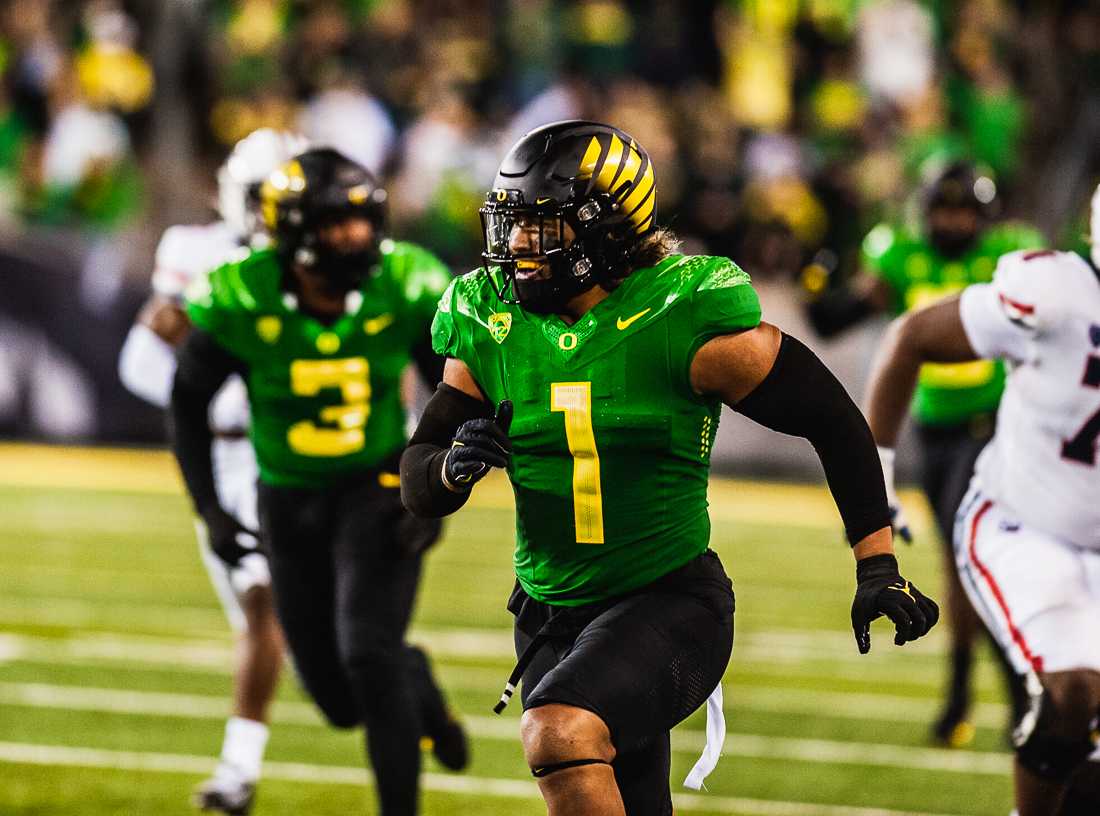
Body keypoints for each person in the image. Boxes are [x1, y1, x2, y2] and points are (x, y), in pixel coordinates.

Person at [400, 120, 939, 815]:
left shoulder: (679, 316)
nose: (520, 249)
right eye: (513, 227)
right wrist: (451, 468)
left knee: (558, 732)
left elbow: (832, 419)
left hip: (668, 603)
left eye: (543, 228)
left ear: (609, 228)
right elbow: (418, 474)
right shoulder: (489, 320)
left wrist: (876, 563)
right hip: (547, 609)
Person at [169, 147, 467, 816]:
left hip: (380, 483)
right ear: (297, 232)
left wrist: (434, 489)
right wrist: (209, 507)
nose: (358, 238)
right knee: (335, 697)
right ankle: (416, 681)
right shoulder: (238, 292)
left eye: (365, 221)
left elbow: (456, 395)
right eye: (339, 224)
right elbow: (186, 401)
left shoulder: (407, 283)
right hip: (289, 497)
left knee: (368, 652)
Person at [806, 159, 1043, 746]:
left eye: (965, 211)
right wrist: (816, 276)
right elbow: (835, 318)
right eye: (944, 209)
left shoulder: (1009, 257)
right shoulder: (904, 256)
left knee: (968, 558)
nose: (954, 222)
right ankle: (995, 694)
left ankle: (997, 696)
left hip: (997, 430)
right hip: (934, 437)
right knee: (964, 563)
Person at [863, 229, 1100, 816]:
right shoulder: (1057, 292)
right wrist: (878, 478)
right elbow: (912, 334)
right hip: (1023, 523)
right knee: (1074, 692)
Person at [118, 127, 306, 815]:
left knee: (265, 607)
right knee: (263, 619)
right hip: (215, 452)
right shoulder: (193, 255)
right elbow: (139, 365)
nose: (270, 210)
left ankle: (237, 770)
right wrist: (203, 368)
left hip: (285, 454)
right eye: (261, 194)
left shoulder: (323, 261)